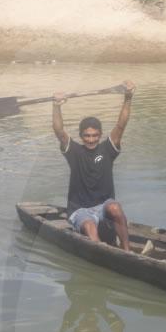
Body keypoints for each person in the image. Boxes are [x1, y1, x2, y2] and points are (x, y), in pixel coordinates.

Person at [52, 80, 135, 251]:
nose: (91, 139)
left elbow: (121, 125)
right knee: (90, 226)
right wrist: (56, 106)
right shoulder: (74, 152)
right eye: (87, 136)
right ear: (81, 136)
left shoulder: (107, 149)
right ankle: (101, 254)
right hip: (80, 210)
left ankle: (127, 251)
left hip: (103, 207)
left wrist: (128, 98)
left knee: (115, 207)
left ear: (100, 135)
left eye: (95, 135)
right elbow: (59, 132)